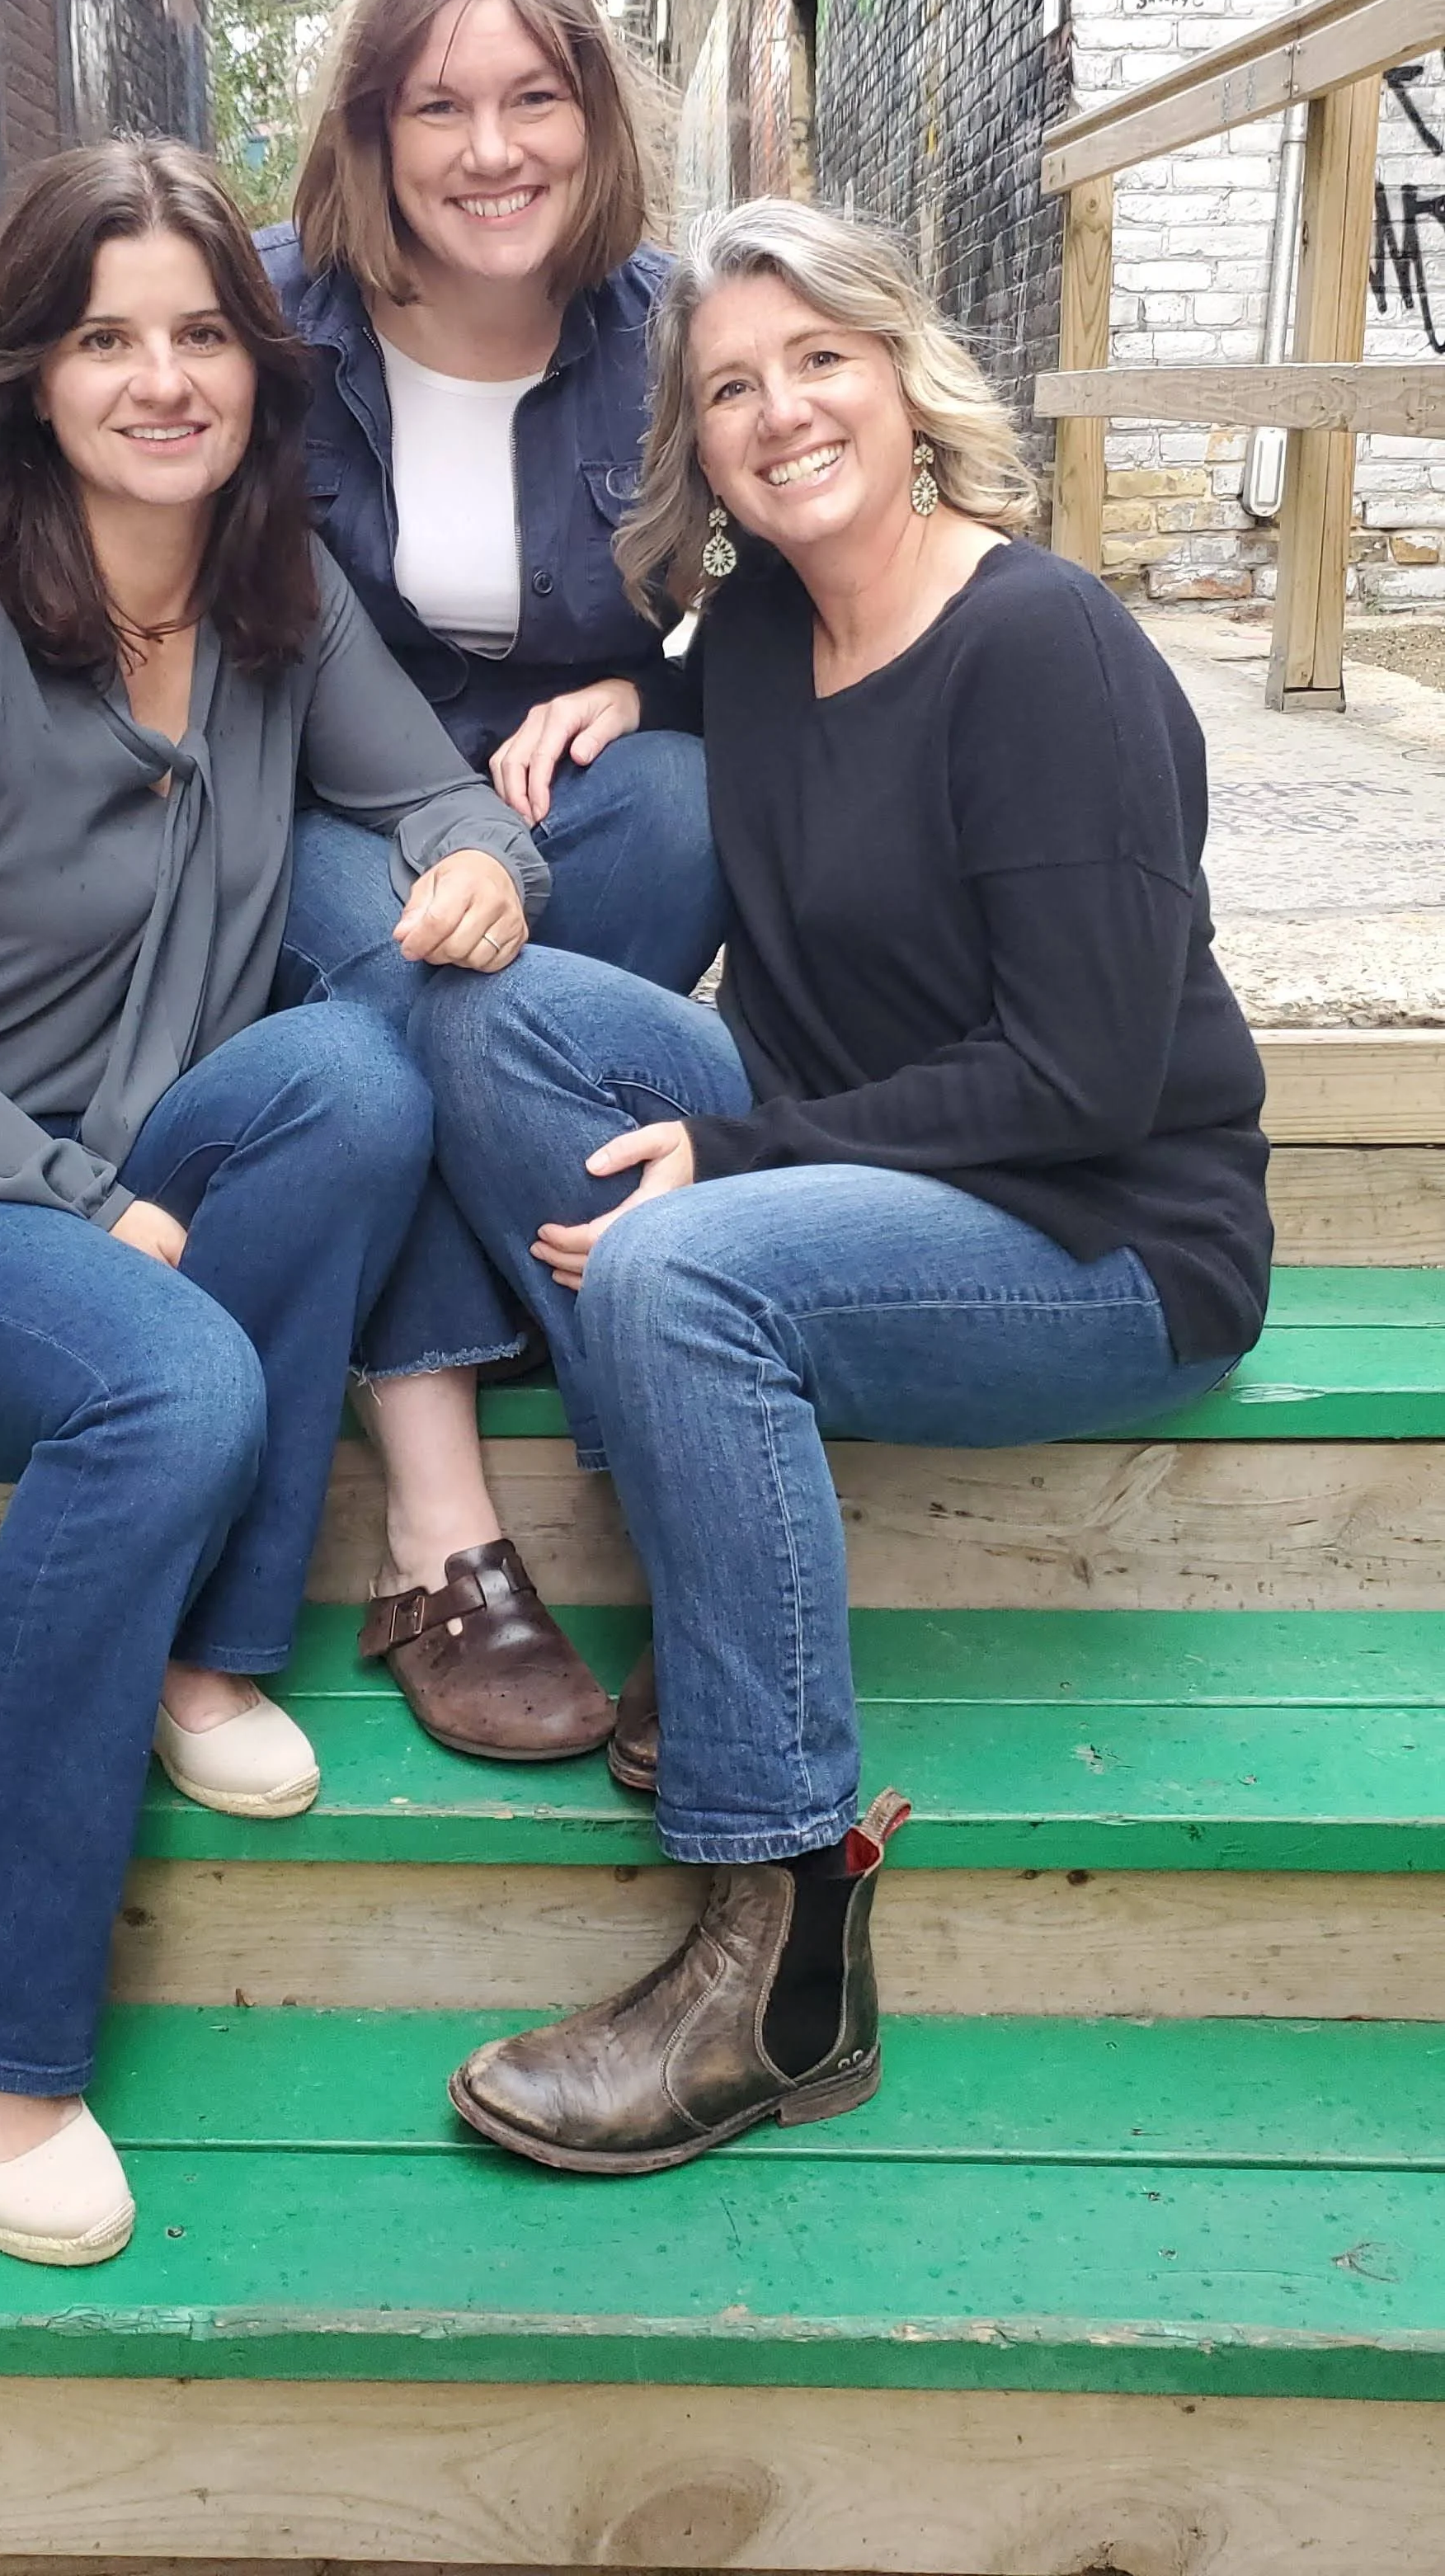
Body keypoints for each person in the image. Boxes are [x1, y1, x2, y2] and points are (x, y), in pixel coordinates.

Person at [0, 143, 546, 2266]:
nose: (163, 379)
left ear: (258, 375)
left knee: (357, 1083)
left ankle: (201, 1648)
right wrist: (77, 1196)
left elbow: (435, 790)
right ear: (28, 377)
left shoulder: (273, 612)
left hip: (110, 1190)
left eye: (200, 335)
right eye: (107, 339)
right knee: (168, 1381)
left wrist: (482, 866)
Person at [409, 200, 1274, 2174]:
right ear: (698, 452)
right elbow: (773, 729)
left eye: (821, 362)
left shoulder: (1044, 645)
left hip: (1107, 1232)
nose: (783, 412)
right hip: (867, 1174)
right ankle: (719, 1577)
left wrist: (739, 1155)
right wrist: (644, 695)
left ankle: (786, 1960)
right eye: (732, 387)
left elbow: (1088, 1073)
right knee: (490, 1022)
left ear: (905, 378)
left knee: (684, 1274)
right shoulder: (774, 629)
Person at [259, 0, 727, 1765]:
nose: (491, 149)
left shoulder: (675, 327)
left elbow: (793, 592)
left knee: (687, 817)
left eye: (536, 95)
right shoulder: (272, 313)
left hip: (556, 788)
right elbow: (85, 462)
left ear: (597, 114)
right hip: (319, 785)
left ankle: (522, 1238)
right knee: (417, 971)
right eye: (437, 106)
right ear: (372, 135)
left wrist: (657, 698)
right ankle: (443, 1509)